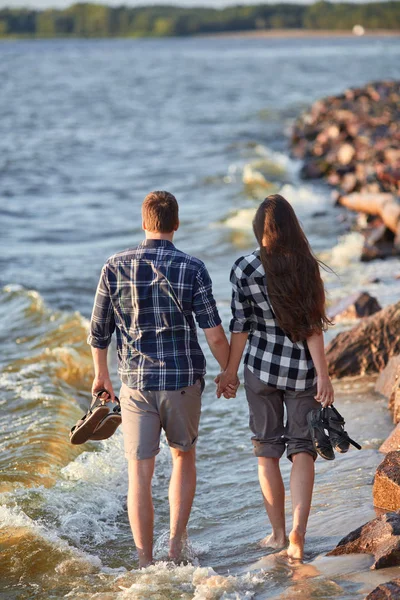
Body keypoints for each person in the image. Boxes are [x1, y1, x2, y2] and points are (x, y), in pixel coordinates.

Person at [88, 190, 236, 568]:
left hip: (135, 383)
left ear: (144, 222)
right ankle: (175, 546)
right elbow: (214, 334)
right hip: (182, 381)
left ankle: (143, 560)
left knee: (140, 471)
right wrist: (228, 374)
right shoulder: (193, 268)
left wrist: (101, 375)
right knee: (183, 456)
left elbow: (98, 331)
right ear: (176, 223)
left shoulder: (114, 265)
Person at [216, 194, 334, 562]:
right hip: (301, 372)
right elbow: (313, 327)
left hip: (261, 371)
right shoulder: (305, 266)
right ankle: (299, 533)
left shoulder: (243, 267)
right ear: (291, 227)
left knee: (266, 452)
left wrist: (229, 372)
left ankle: (278, 535)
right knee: (303, 451)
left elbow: (240, 326)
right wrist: (323, 376)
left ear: (257, 230)